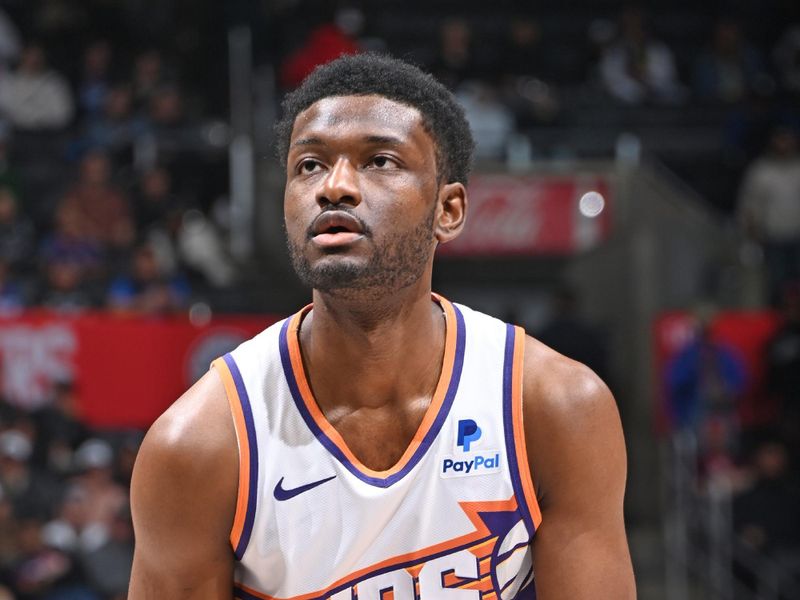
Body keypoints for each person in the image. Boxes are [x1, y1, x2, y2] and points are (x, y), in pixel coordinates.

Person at [128, 54, 634, 599]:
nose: (335, 187)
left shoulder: (554, 407)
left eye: (380, 161)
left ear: (450, 210)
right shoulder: (200, 447)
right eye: (309, 165)